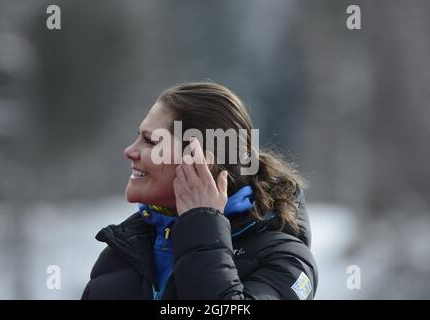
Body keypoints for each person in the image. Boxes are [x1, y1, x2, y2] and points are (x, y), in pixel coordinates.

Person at [81, 82, 318, 300]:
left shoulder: (287, 259)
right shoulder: (121, 254)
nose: (130, 151)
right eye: (138, 137)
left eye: (151, 141)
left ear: (201, 160)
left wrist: (202, 225)